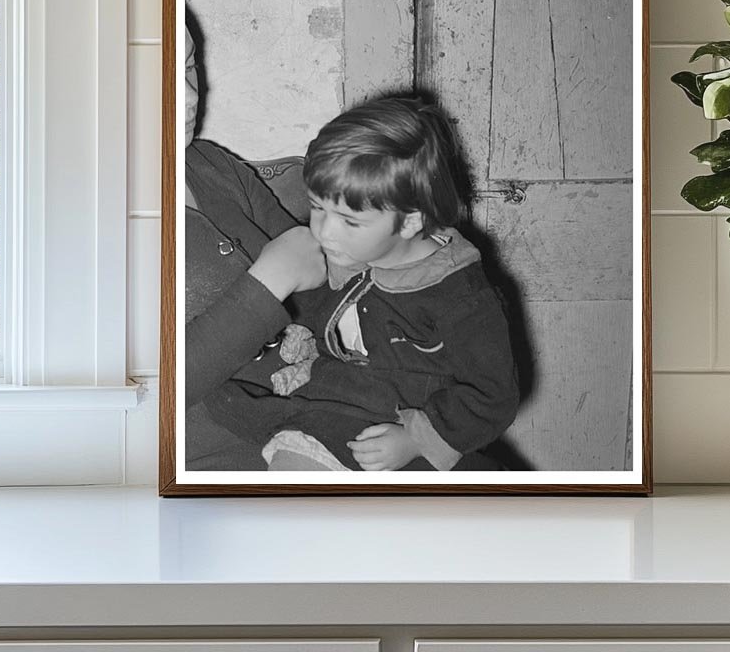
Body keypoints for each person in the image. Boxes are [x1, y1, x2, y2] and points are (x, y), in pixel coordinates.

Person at [203, 96, 520, 471]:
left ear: (409, 222)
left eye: (349, 221)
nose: (323, 231)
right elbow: (321, 312)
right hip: (331, 402)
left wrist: (417, 440)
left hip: (396, 427)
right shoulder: (350, 252)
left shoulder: (461, 298)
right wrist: (300, 333)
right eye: (318, 207)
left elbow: (493, 395)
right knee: (223, 401)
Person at [182, 26, 326, 465]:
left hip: (309, 421)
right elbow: (142, 391)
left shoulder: (213, 165)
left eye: (189, 67)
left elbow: (318, 276)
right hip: (206, 461)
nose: (189, 97)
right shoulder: (80, 215)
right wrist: (271, 280)